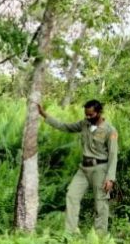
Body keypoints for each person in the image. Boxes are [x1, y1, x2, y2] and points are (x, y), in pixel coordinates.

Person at [37, 99, 119, 235]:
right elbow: (65, 127)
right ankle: (69, 233)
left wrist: (110, 178)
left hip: (100, 169)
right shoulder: (84, 124)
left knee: (100, 204)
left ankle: (100, 238)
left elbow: (113, 155)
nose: (87, 117)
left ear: (99, 112)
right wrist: (44, 115)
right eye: (86, 114)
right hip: (84, 169)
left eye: (91, 115)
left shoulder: (110, 130)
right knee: (71, 195)